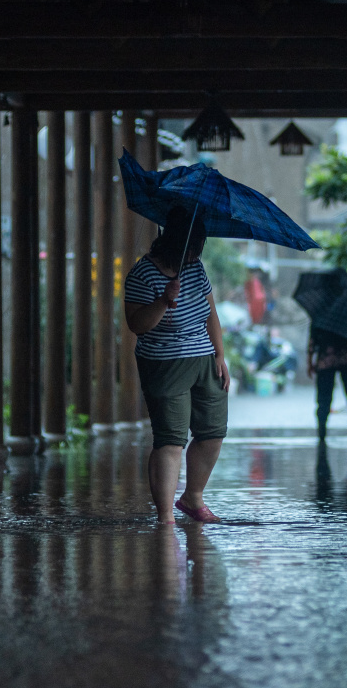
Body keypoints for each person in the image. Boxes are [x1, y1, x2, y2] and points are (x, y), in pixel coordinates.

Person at [125, 206, 231, 525]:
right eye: (194, 245)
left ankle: (193, 497)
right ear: (176, 242)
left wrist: (220, 354)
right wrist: (163, 301)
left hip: (203, 358)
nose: (196, 252)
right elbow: (137, 324)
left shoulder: (195, 269)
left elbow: (210, 313)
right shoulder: (142, 274)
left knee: (212, 432)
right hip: (164, 361)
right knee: (171, 438)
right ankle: (165, 515)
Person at [307, 327, 347, 440]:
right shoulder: (346, 314)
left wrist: (310, 361)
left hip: (326, 360)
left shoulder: (320, 315)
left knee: (324, 399)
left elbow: (312, 341)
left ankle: (322, 430)